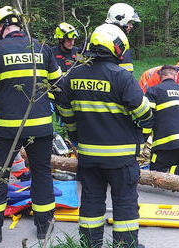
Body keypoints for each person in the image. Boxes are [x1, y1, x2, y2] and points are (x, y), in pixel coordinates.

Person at [56, 23, 151, 248]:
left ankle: (90, 244)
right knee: (125, 202)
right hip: (121, 157)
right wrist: (142, 128)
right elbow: (144, 113)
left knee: (91, 201)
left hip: (88, 155)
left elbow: (67, 115)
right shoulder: (122, 77)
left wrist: (76, 138)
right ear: (115, 48)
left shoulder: (72, 75)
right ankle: (125, 245)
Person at [0, 6, 61, 243]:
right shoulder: (42, 48)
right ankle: (44, 227)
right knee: (42, 173)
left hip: (7, 127)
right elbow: (58, 85)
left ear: (0, 27)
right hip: (42, 126)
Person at [105, 2, 141, 73]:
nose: (131, 26)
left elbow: (79, 59)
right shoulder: (121, 41)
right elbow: (127, 74)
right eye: (129, 22)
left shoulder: (94, 35)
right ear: (121, 20)